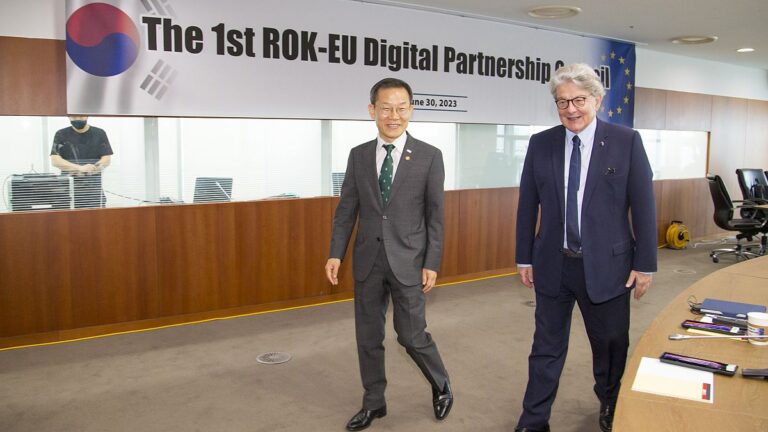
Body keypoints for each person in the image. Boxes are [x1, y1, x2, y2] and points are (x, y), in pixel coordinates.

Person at [514, 63, 657, 432]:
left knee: (610, 345)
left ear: (597, 99)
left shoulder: (626, 142)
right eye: (562, 103)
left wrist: (646, 265)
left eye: (579, 100)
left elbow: (643, 207)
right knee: (545, 347)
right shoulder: (541, 143)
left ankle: (610, 403)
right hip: (553, 265)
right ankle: (533, 420)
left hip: (609, 268)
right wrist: (523, 257)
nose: (571, 109)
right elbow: (528, 203)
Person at [325, 78, 453, 431]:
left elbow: (435, 216)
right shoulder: (359, 155)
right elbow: (346, 209)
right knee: (367, 337)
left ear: (411, 110)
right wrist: (336, 253)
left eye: (401, 108)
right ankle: (373, 402)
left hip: (409, 260)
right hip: (367, 261)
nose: (393, 116)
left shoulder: (429, 156)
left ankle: (441, 384)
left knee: (411, 335)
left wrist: (432, 262)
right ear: (372, 111)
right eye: (385, 108)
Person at [50, 115, 113, 208]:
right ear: (68, 117)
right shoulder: (61, 134)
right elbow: (55, 160)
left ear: (87, 115)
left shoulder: (99, 133)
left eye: (81, 116)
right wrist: (79, 168)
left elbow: (106, 158)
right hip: (67, 191)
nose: (78, 119)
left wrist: (95, 168)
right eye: (74, 116)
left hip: (92, 192)